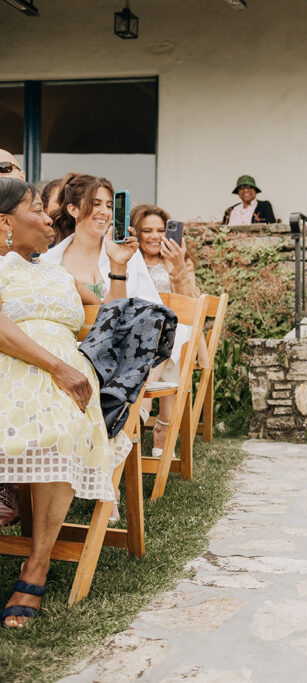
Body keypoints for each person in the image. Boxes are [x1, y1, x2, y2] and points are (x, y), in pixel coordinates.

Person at [0, 178, 132, 627]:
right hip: (15, 369)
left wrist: (116, 268)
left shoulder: (59, 275)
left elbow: (113, 325)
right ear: (5, 223)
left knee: (57, 429)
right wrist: (56, 366)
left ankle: (36, 565)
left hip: (67, 383)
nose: (47, 218)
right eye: (36, 210)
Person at [132, 203, 207, 454]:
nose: (155, 236)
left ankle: (144, 407)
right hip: (140, 333)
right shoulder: (130, 262)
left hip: (177, 330)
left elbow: (192, 305)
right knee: (163, 340)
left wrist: (177, 267)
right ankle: (160, 426)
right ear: (136, 232)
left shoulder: (180, 262)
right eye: (147, 230)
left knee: (173, 333)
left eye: (161, 230)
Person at [39, 174, 161, 305]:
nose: (104, 212)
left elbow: (151, 304)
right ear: (73, 210)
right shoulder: (49, 261)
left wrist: (119, 265)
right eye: (96, 204)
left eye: (109, 206)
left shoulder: (127, 253)